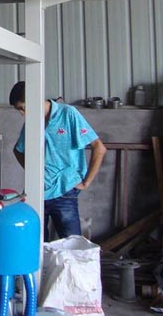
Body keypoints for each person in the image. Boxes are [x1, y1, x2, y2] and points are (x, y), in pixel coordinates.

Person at [9, 81, 107, 240]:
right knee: (36, 245)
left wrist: (86, 182)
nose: (22, 114)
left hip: (65, 191)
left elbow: (99, 148)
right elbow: (18, 150)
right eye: (18, 110)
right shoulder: (32, 122)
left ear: (35, 99)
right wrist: (35, 172)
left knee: (71, 245)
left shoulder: (68, 114)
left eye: (23, 108)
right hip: (37, 192)